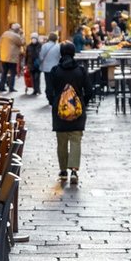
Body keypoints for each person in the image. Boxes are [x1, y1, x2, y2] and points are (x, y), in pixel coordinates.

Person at [43, 41, 94, 183]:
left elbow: (49, 91)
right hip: (77, 112)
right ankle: (74, 172)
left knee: (62, 142)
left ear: (61, 53)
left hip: (60, 113)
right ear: (73, 53)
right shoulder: (81, 71)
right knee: (76, 140)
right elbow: (89, 91)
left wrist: (54, 102)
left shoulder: (55, 71)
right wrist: (82, 103)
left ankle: (63, 171)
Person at [0, 22, 25, 91]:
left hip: (3, 56)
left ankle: (2, 86)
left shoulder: (5, 33)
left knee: (4, 72)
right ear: (17, 29)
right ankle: (11, 87)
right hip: (12, 58)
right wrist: (22, 35)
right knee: (13, 72)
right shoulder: (16, 36)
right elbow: (22, 43)